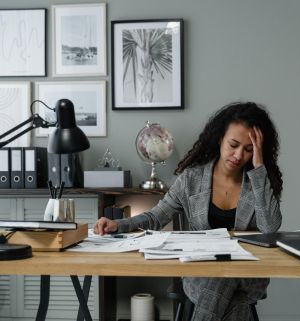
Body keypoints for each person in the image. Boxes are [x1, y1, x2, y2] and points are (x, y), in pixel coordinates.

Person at [94, 101, 283, 321]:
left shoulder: (259, 182)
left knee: (226, 275)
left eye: (249, 149)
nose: (239, 155)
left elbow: (270, 227)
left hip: (247, 274)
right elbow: (157, 217)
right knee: (233, 300)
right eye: (233, 144)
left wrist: (259, 169)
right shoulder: (191, 179)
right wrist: (120, 225)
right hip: (200, 272)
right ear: (220, 137)